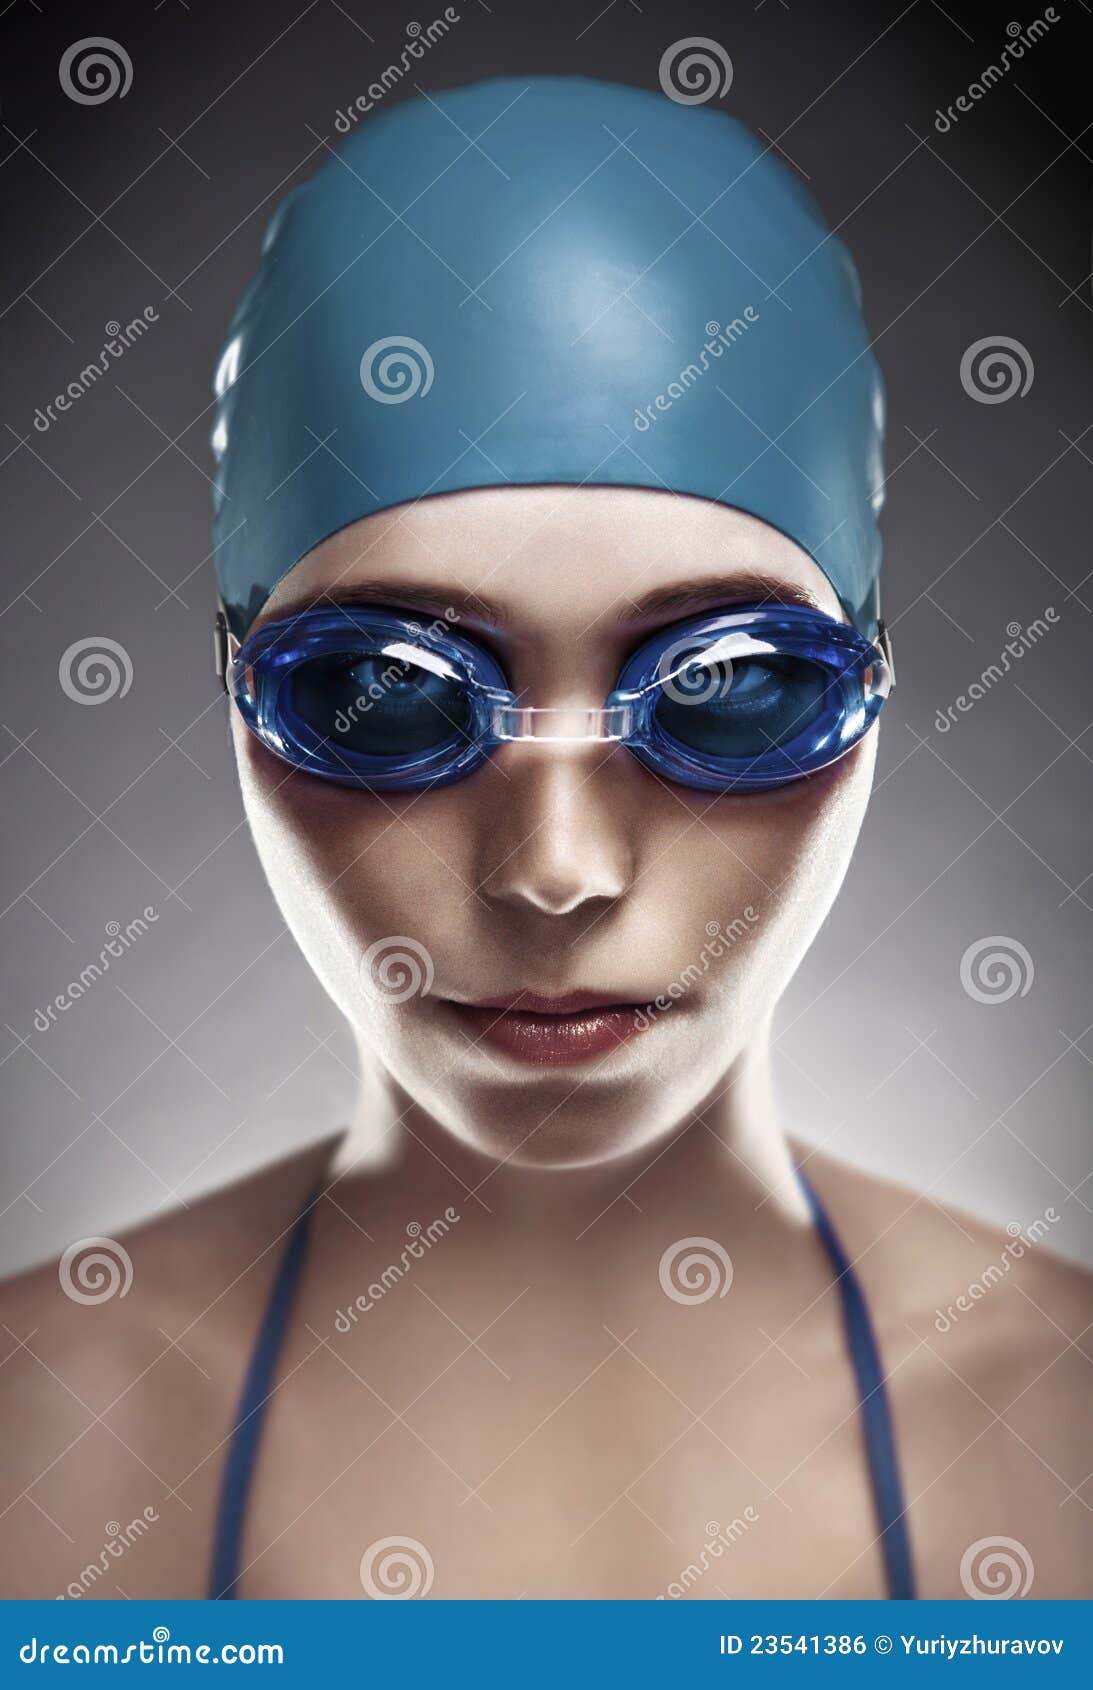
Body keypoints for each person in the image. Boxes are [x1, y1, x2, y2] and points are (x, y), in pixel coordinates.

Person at [2, 77, 1089, 1604]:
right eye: (386, 694)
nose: (556, 868)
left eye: (726, 688)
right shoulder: (42, 1437)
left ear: (875, 685)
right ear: (238, 698)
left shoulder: (1057, 1428)